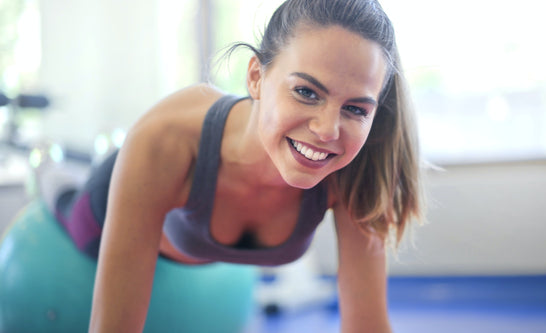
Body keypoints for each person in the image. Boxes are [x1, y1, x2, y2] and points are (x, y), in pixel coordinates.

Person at [42, 0, 423, 332]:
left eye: (356, 108)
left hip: (193, 249)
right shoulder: (168, 137)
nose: (327, 130)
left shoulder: (361, 166)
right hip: (106, 203)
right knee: (68, 207)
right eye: (306, 92)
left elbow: (367, 325)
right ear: (256, 76)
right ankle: (47, 173)